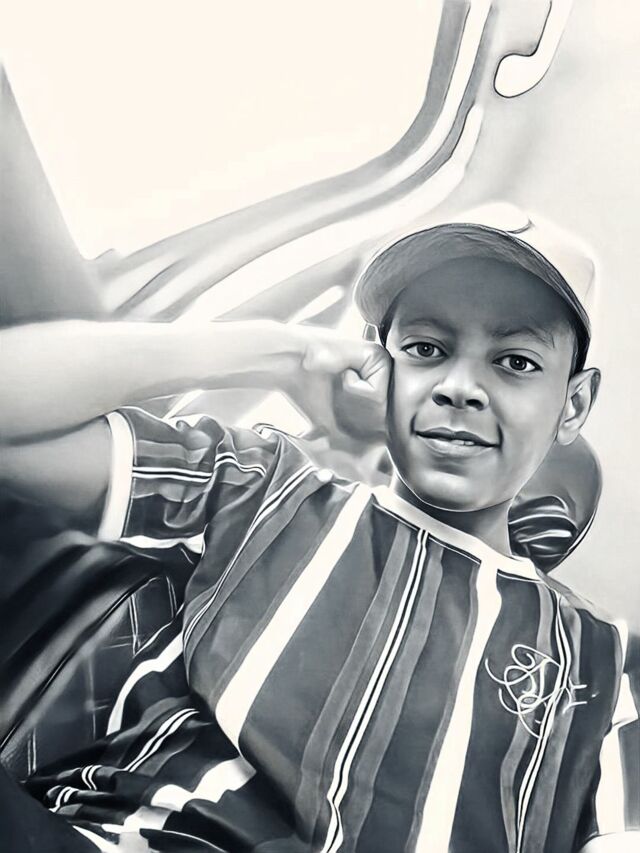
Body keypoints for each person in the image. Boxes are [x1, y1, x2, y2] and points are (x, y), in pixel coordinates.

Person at [0, 204, 638, 852]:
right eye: (426, 348)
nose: (459, 387)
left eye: (516, 361)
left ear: (574, 404)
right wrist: (283, 353)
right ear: (380, 365)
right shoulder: (261, 483)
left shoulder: (610, 662)